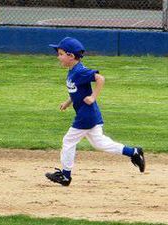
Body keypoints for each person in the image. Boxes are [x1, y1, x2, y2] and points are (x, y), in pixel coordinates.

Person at [45, 37, 145, 186]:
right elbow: (76, 91)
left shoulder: (80, 71)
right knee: (100, 143)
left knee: (68, 141)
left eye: (60, 54)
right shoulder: (73, 71)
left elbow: (100, 78)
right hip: (91, 115)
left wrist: (93, 96)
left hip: (85, 116)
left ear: (71, 56)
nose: (58, 57)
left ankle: (65, 176)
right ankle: (133, 152)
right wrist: (67, 102)